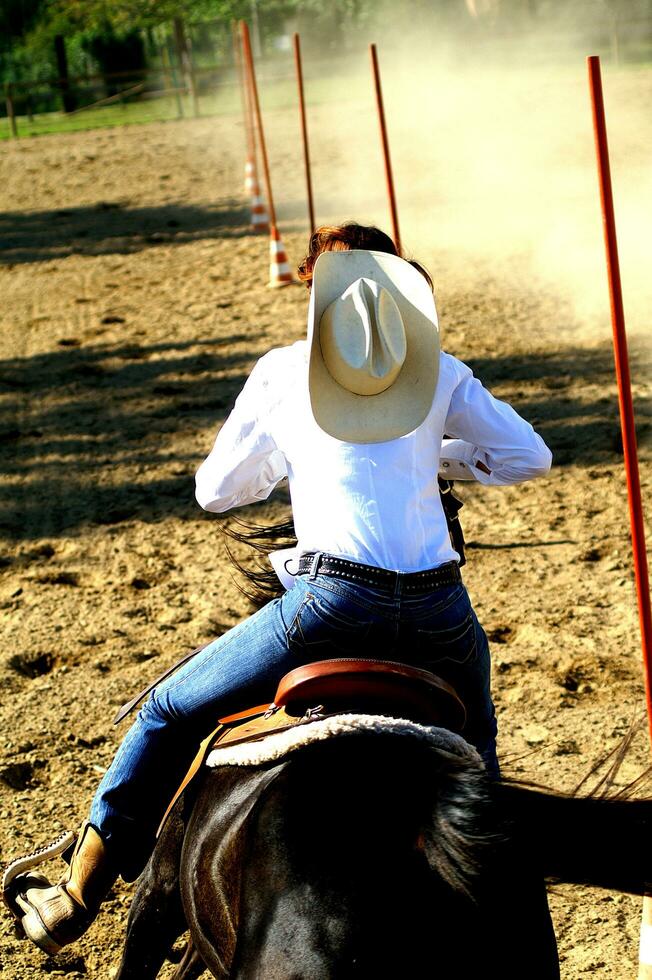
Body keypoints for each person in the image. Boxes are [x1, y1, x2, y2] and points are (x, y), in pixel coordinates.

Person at [6, 222, 551, 954]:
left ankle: (78, 894)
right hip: (439, 609)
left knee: (168, 710)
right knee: (479, 760)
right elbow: (529, 456)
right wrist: (438, 461)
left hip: (333, 601)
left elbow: (215, 492)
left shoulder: (281, 369)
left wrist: (290, 462)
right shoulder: (440, 371)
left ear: (314, 294)